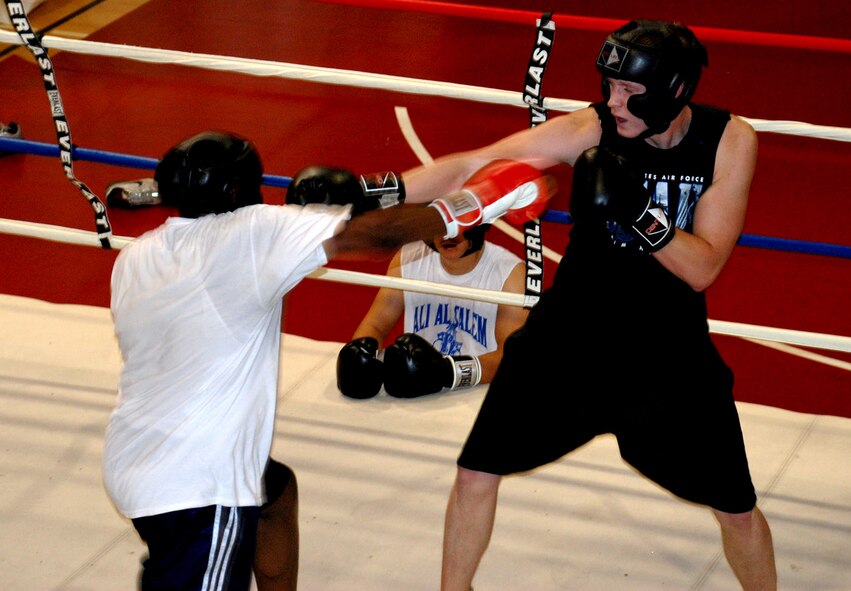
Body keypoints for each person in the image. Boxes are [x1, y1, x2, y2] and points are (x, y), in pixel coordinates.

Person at [398, 19, 777, 591]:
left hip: (667, 350)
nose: (612, 101)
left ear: (673, 91)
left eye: (628, 91)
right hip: (569, 335)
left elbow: (703, 268)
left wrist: (634, 210)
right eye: (609, 85)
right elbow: (478, 162)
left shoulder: (729, 140)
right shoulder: (592, 128)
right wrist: (375, 191)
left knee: (737, 508)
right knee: (476, 471)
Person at [103, 130, 554, 591]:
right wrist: (473, 204)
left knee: (274, 494)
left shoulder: (137, 256)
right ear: (237, 190)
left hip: (132, 455)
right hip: (198, 485)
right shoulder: (250, 234)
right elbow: (378, 234)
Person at [335, 223, 528, 399]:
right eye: (441, 222)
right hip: (416, 394)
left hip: (477, 397)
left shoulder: (510, 274)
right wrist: (360, 357)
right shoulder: (408, 259)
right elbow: (375, 324)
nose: (449, 234)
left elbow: (511, 358)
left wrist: (447, 372)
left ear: (481, 223)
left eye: (460, 222)